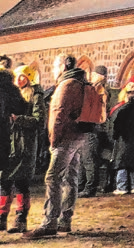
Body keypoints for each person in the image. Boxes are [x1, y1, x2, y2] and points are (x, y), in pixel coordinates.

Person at [25, 55, 88, 240]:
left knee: (53, 178)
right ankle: (65, 220)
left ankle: (49, 222)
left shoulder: (66, 85)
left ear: (63, 66)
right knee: (71, 177)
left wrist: (53, 139)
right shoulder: (80, 82)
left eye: (54, 66)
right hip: (77, 136)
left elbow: (59, 114)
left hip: (64, 138)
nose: (52, 70)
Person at [2, 66, 44, 233]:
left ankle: (21, 219)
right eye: (17, 77)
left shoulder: (35, 95)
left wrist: (18, 119)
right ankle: (1, 218)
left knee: (21, 182)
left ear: (29, 77)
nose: (19, 80)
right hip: (9, 144)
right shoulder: (12, 94)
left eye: (22, 77)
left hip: (25, 145)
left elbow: (38, 120)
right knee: (4, 182)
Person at [76, 67, 110, 198]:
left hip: (92, 128)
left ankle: (90, 187)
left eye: (95, 74)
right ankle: (81, 185)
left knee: (89, 159)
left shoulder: (100, 90)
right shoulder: (92, 88)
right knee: (83, 159)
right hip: (86, 127)